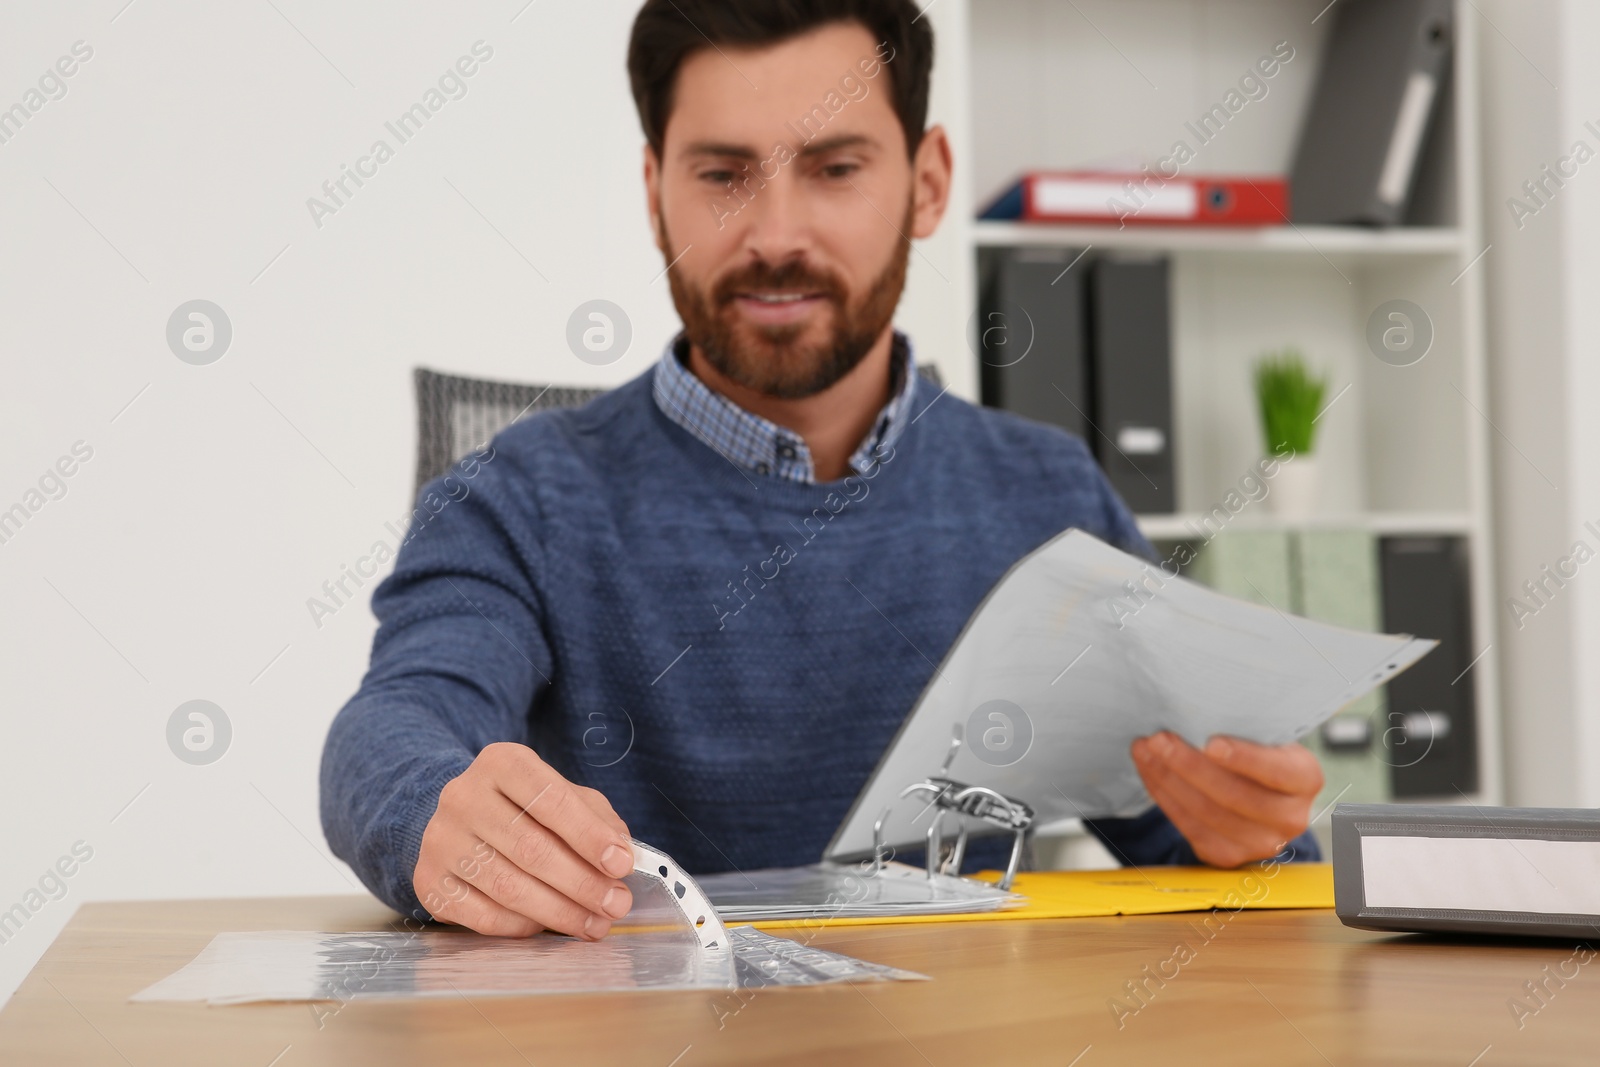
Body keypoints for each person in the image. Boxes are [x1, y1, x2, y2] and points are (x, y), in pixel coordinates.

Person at [319, 0, 1324, 941]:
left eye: (835, 168)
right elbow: (397, 722)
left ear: (927, 183)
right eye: (722, 175)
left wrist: (1251, 830)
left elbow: (1200, 844)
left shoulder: (1044, 494)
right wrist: (425, 809)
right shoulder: (514, 496)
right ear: (653, 192)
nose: (776, 236)